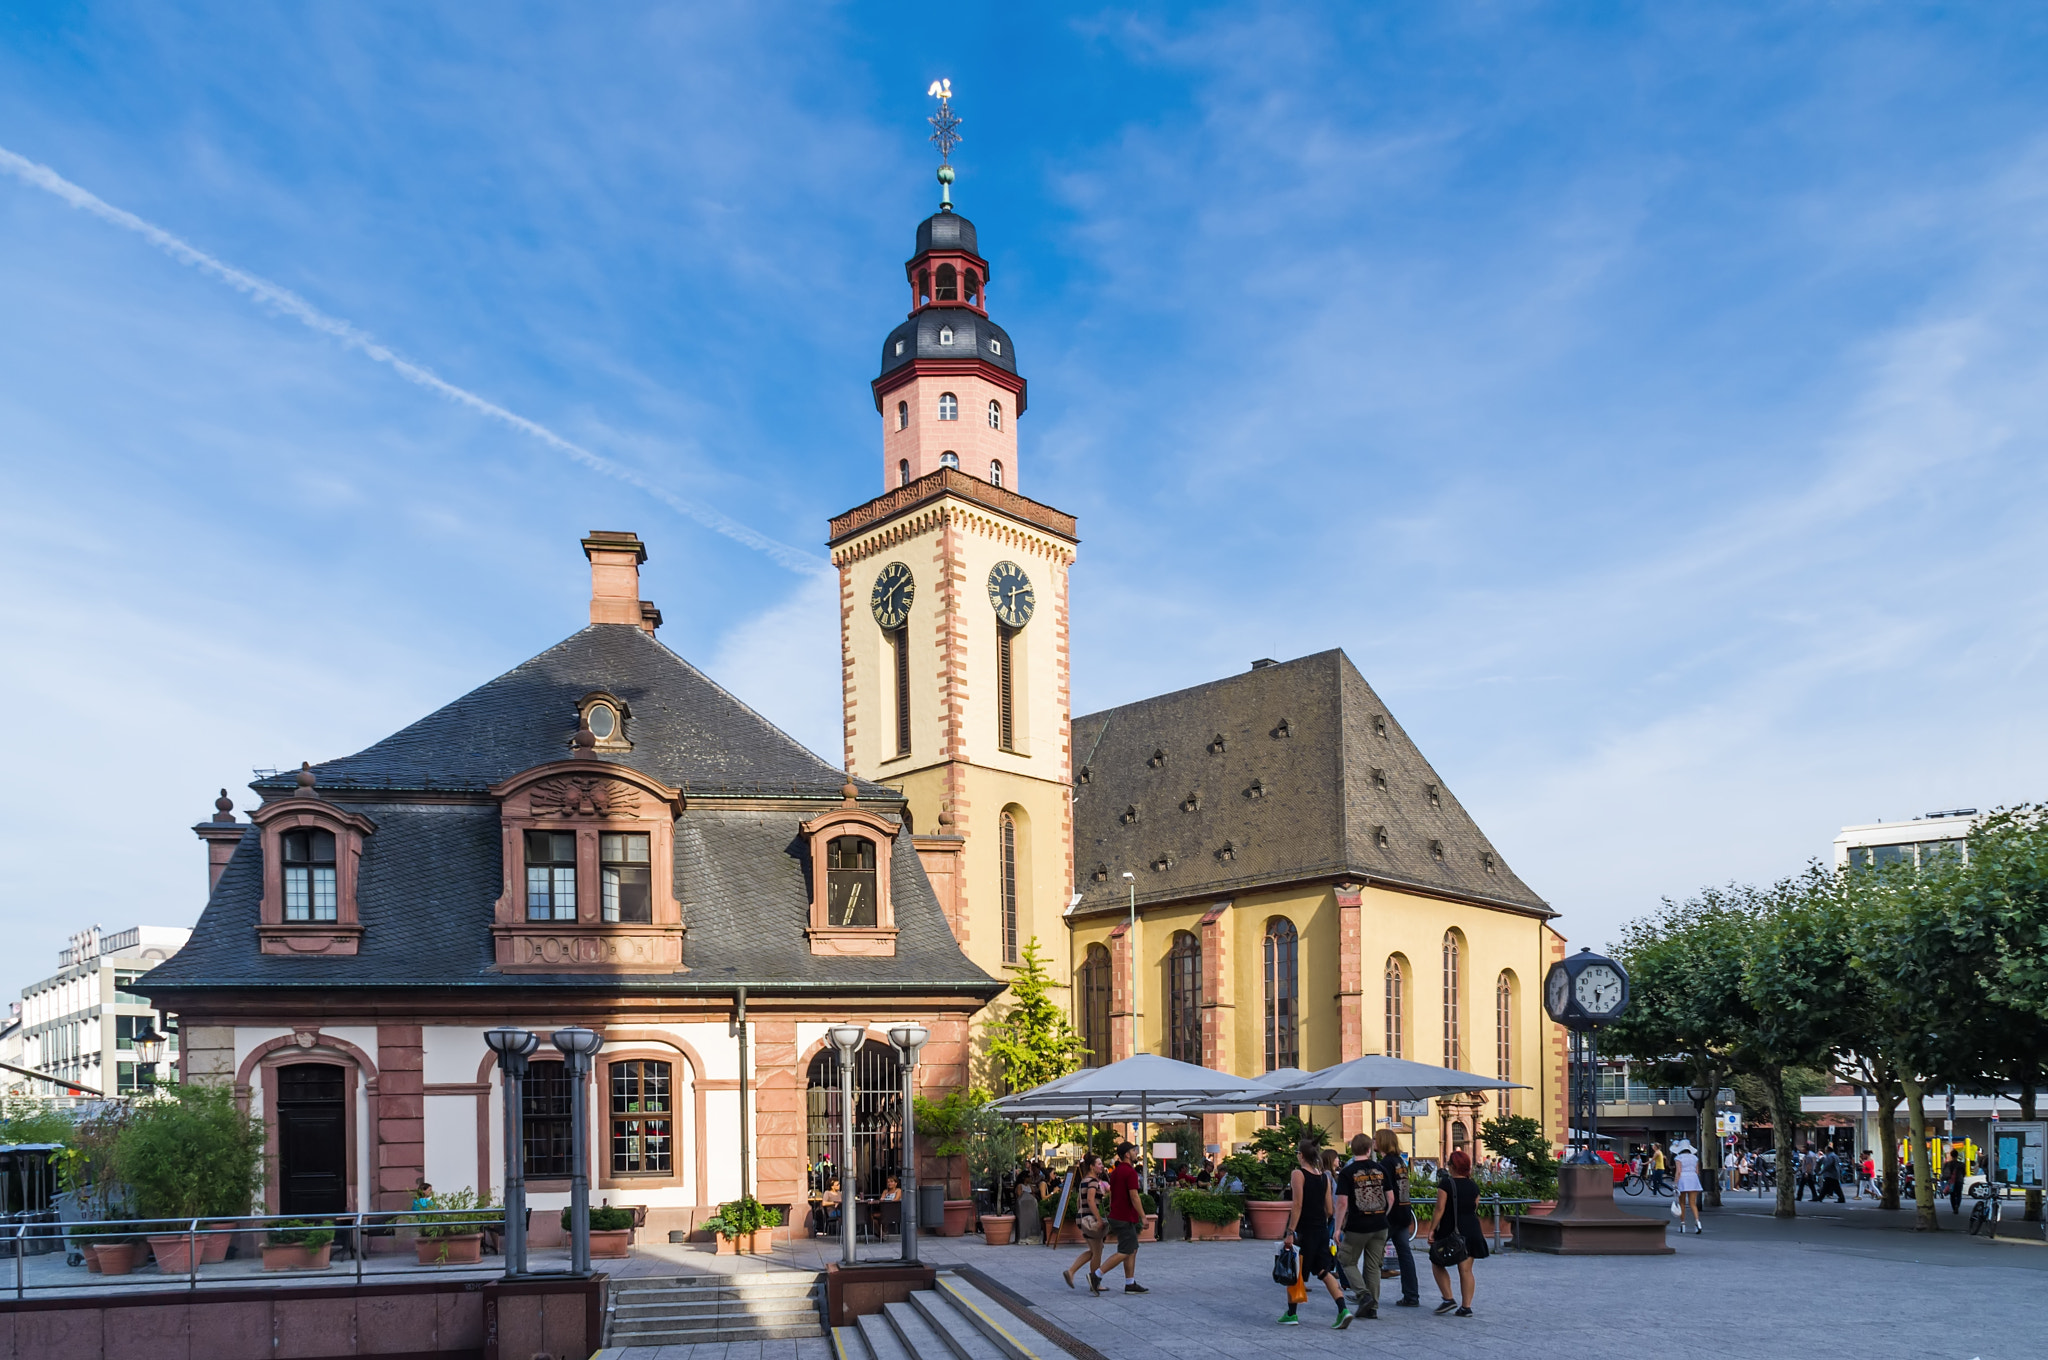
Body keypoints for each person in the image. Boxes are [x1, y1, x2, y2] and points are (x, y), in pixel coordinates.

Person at [1280, 1136, 1351, 1328]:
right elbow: (1330, 1210)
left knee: (1294, 1271)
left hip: (1305, 1231)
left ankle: (1292, 1314)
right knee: (1323, 1270)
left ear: (1301, 1155)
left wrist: (1290, 1231)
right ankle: (1343, 1309)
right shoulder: (1324, 1178)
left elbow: (1297, 1204)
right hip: (1321, 1230)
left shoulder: (1298, 1174)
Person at [1334, 1134, 1390, 1320]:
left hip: (1358, 1225)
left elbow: (1342, 1202)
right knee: (1373, 1266)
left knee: (1346, 1260)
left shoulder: (1347, 1173)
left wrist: (1337, 1228)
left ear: (1352, 1150)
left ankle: (1362, 1295)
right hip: (1380, 1224)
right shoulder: (1381, 1169)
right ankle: (1372, 1307)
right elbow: (1391, 1198)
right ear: (1368, 1150)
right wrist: (1382, 1214)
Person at [1428, 1149, 1488, 1317]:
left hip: (1451, 1229)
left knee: (1437, 1261)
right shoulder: (1473, 1185)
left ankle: (1448, 1298)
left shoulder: (1446, 1184)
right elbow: (1475, 1206)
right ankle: (1466, 1307)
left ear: (1453, 1167)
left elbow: (1439, 1208)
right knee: (1466, 1270)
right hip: (1472, 1229)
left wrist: (1432, 1229)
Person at [1374, 1130, 1421, 1308]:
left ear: (1383, 1142)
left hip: (1390, 1214)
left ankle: (1366, 1293)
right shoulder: (1400, 1162)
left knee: (1373, 1252)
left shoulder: (1385, 1164)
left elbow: (1384, 1192)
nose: (1373, 1142)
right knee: (1405, 1254)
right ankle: (1411, 1295)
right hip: (1404, 1211)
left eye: (1375, 1139)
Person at [1094, 1143, 1148, 1295]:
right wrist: (1143, 1217)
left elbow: (1112, 1194)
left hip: (1118, 1215)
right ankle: (1096, 1275)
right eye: (1133, 1151)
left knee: (1133, 1248)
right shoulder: (1130, 1172)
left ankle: (1130, 1283)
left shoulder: (1116, 1171)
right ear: (1127, 1155)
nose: (1136, 1153)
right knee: (1126, 1250)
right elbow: (1134, 1196)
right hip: (1124, 1216)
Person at [1062, 1155, 1107, 1289]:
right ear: (1092, 1166)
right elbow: (1090, 1201)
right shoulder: (1092, 1182)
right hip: (1090, 1218)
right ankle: (1094, 1281)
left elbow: (1079, 1201)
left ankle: (1071, 1271)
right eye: (1099, 1164)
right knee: (1097, 1250)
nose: (1102, 1166)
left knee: (1094, 1250)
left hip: (1083, 1217)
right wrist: (1098, 1219)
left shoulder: (1084, 1180)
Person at [1671, 1139, 1704, 1234]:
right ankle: (1698, 1222)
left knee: (1682, 1203)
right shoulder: (1695, 1158)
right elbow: (1697, 1171)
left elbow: (1678, 1172)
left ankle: (1683, 1224)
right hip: (1693, 1179)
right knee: (1693, 1203)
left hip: (1683, 1180)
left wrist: (1675, 1183)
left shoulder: (1679, 1158)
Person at [1943, 1149, 1965, 1216]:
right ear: (1957, 1155)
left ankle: (1954, 1207)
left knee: (1952, 1195)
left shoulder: (1948, 1164)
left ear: (1951, 1155)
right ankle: (1957, 1206)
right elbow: (1964, 1173)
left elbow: (1944, 1173)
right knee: (1958, 1194)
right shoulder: (1961, 1164)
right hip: (1959, 1180)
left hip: (1951, 1181)